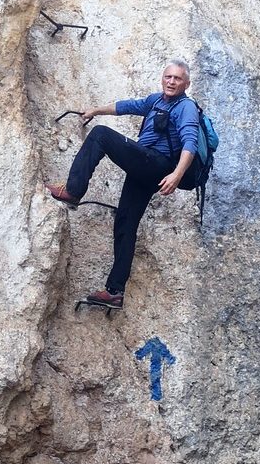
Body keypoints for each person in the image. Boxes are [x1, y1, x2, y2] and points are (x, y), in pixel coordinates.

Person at [44, 60, 200, 311]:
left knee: (101, 135)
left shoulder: (186, 108)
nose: (171, 82)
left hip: (157, 164)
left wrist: (177, 175)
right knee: (125, 223)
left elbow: (190, 141)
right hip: (145, 169)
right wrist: (95, 110)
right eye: (168, 77)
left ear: (186, 83)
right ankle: (114, 291)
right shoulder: (155, 101)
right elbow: (126, 106)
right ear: (162, 79)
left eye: (177, 79)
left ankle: (73, 190)